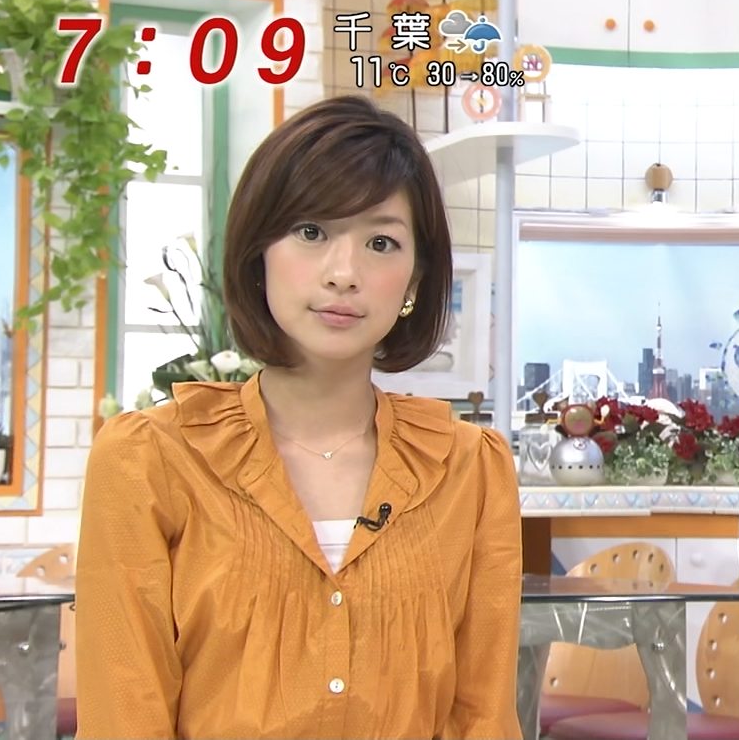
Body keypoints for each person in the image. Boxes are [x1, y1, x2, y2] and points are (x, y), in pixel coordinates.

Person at [75, 95, 523, 739]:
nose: (344, 273)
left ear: (416, 280)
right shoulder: (149, 460)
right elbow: (124, 717)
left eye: (381, 242)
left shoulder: (472, 471)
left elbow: (484, 718)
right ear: (258, 251)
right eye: (311, 232)